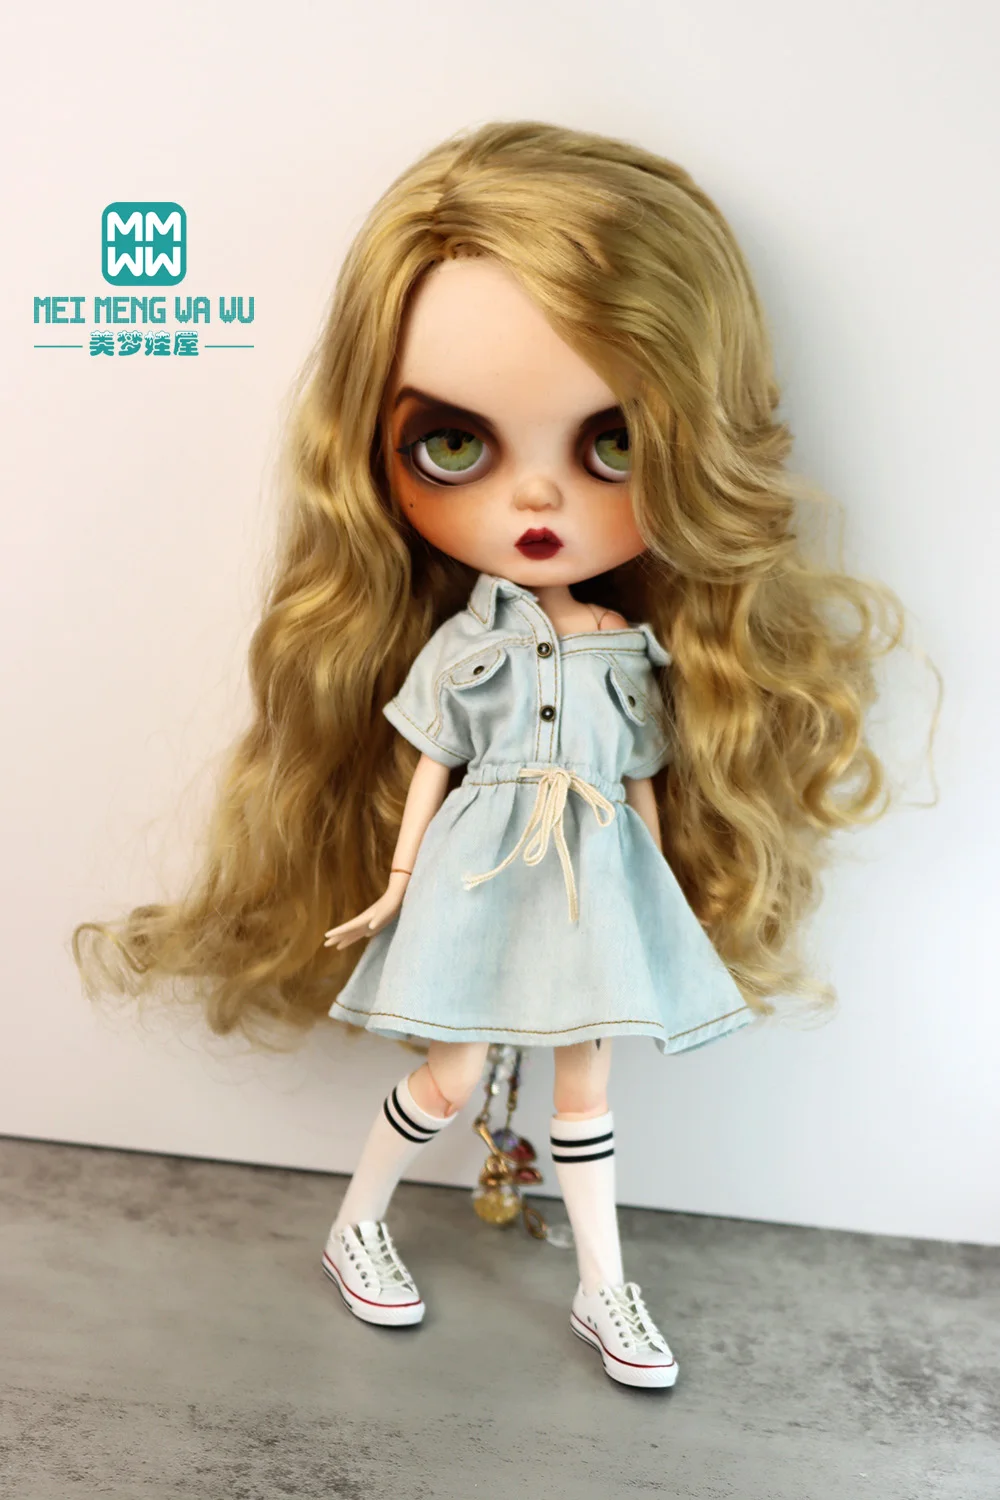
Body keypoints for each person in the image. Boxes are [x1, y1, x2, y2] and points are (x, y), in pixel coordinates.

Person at [72, 120, 924, 1391]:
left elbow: (640, 781)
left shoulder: (627, 649)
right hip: (477, 871)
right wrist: (397, 884)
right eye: (455, 445)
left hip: (595, 878)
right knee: (454, 1070)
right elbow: (432, 760)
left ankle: (604, 1287)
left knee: (587, 1089)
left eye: (614, 445)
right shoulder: (467, 645)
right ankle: (357, 1222)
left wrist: (661, 890)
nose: (536, 501)